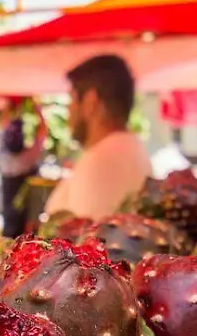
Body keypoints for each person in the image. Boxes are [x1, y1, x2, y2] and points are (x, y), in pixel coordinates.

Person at [43, 54, 151, 219]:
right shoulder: (130, 148)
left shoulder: (103, 161)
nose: (69, 112)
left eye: (72, 100)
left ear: (90, 101)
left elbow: (84, 239)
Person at [0, 99, 48, 237]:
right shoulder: (27, 158)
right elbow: (42, 131)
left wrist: (10, 105)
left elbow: (3, 124)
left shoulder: (1, 156)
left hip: (10, 221)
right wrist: (37, 108)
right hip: (25, 222)